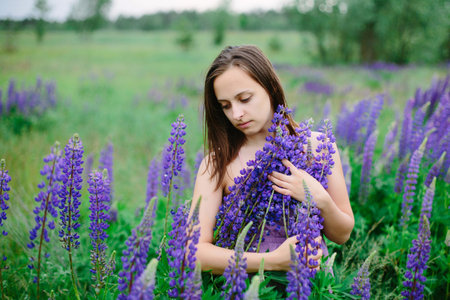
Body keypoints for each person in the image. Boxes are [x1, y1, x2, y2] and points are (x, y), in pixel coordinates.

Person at [191, 45, 354, 275]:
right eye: (225, 106)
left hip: (312, 287)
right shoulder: (218, 163)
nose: (236, 114)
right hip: (245, 287)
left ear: (270, 88)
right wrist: (270, 261)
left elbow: (342, 234)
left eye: (244, 99)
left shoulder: (318, 146)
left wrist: (320, 198)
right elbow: (194, 252)